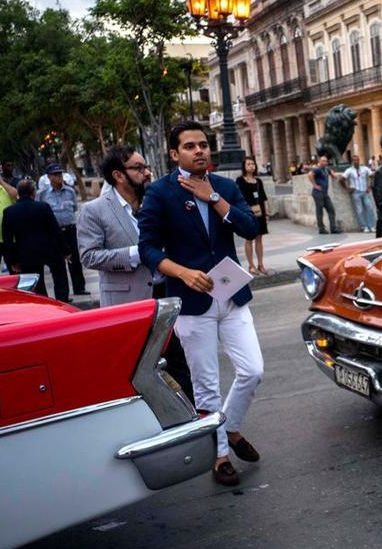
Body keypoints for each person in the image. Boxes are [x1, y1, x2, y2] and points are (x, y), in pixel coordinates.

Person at [137, 121, 263, 487]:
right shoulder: (160, 193)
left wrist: (213, 198)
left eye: (203, 145)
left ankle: (233, 427)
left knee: (253, 370)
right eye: (190, 146)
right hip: (192, 301)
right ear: (174, 154)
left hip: (232, 295)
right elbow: (148, 248)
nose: (199, 151)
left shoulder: (224, 186)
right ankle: (220, 454)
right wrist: (182, 272)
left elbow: (250, 228)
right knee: (206, 384)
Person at [77, 146, 193, 403]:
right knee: (134, 371)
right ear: (119, 175)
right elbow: (89, 256)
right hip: (127, 302)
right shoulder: (95, 210)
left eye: (145, 166)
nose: (147, 172)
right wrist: (136, 254)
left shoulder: (154, 201)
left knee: (178, 365)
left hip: (166, 296)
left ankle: (192, 421)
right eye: (138, 168)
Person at [2, 179, 69, 301]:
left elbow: (7, 239)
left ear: (18, 193)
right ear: (33, 193)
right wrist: (65, 250)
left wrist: (12, 260)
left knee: (36, 283)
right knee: (60, 277)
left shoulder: (9, 212)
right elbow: (55, 230)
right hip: (49, 249)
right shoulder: (43, 207)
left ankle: (44, 303)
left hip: (26, 252)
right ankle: (62, 301)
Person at [39, 163, 89, 296]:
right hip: (54, 233)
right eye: (55, 174)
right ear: (49, 177)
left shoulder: (70, 191)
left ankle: (79, 288)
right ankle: (63, 294)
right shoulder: (43, 194)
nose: (59, 177)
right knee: (57, 263)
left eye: (60, 174)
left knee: (75, 260)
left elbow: (73, 209)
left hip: (70, 230)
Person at [235, 156, 271, 274]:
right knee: (249, 239)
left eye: (253, 164)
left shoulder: (258, 181)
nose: (251, 166)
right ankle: (251, 266)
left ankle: (260, 264)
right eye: (248, 164)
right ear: (244, 167)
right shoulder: (240, 180)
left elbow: (264, 198)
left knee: (259, 240)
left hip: (260, 213)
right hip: (247, 214)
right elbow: (238, 198)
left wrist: (267, 213)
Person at [342, 154, 376, 232]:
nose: (356, 162)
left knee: (369, 208)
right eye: (354, 160)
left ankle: (372, 226)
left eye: (357, 160)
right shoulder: (349, 170)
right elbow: (342, 179)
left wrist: (369, 186)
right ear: (352, 161)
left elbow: (372, 176)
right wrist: (347, 188)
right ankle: (364, 227)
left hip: (364, 191)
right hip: (355, 192)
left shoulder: (364, 169)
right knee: (359, 210)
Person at [309, 154, 340, 235]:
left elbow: (331, 172)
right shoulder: (317, 169)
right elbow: (310, 175)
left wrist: (333, 174)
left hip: (325, 193)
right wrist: (315, 185)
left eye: (326, 161)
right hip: (318, 193)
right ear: (319, 162)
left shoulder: (326, 169)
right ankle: (321, 229)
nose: (325, 162)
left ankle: (333, 228)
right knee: (319, 211)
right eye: (323, 161)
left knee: (331, 209)